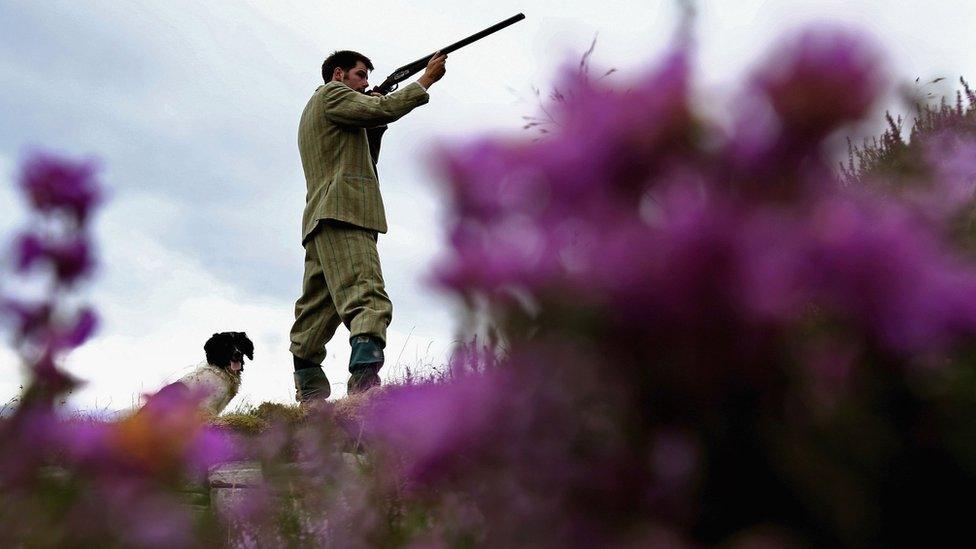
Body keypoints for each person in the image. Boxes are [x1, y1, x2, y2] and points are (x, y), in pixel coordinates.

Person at [290, 49, 447, 402]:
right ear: (338, 75)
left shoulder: (320, 110)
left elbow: (365, 155)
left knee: (314, 315)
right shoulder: (331, 95)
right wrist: (424, 80)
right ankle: (364, 394)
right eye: (359, 75)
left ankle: (311, 400)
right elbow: (380, 109)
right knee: (368, 298)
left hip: (321, 220)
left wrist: (377, 121)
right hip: (346, 213)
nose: (365, 83)